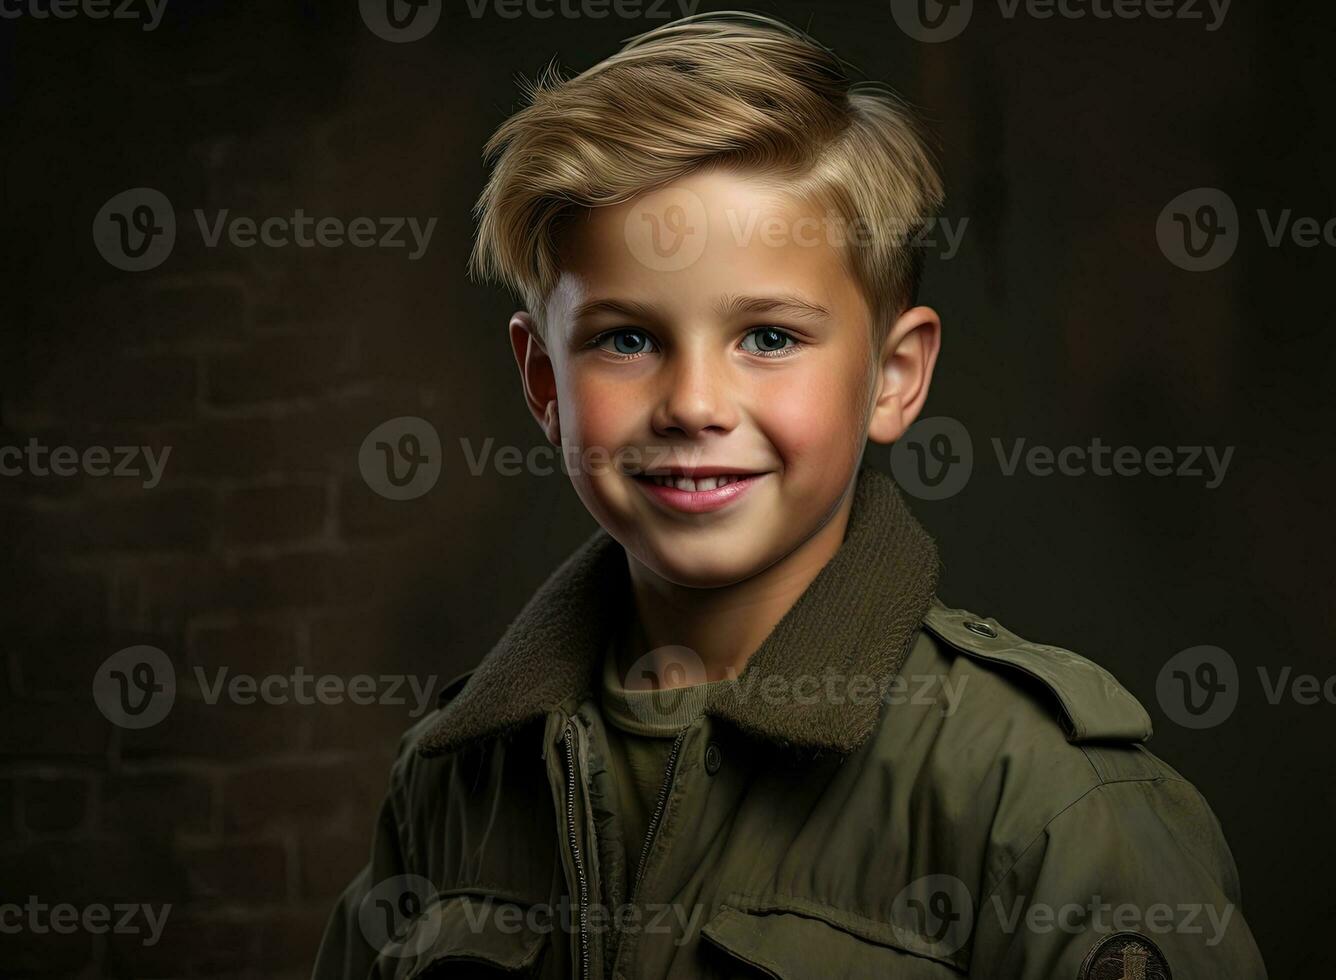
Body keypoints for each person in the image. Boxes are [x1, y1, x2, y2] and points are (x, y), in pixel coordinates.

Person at [313, 12, 1268, 978]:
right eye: (626, 339)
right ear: (544, 384)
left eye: (768, 337)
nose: (692, 404)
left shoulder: (1048, 803)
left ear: (894, 376)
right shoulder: (450, 782)